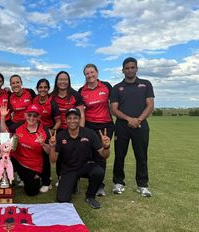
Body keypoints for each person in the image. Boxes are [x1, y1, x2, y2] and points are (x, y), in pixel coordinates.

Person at [49, 108, 111, 209]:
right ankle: (73, 184)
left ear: (80, 119)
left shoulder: (89, 133)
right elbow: (53, 160)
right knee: (62, 199)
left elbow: (104, 155)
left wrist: (106, 147)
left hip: (85, 165)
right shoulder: (60, 136)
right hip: (68, 169)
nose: (72, 120)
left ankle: (90, 196)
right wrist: (52, 146)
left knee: (98, 171)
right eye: (69, 118)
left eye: (75, 118)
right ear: (65, 120)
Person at [110, 57, 154, 197]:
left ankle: (142, 185)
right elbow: (114, 109)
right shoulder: (117, 87)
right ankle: (118, 182)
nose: (129, 70)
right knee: (120, 155)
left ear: (136, 68)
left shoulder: (146, 84)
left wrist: (138, 120)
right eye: (127, 68)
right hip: (122, 126)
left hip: (141, 125)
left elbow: (150, 105)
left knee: (141, 155)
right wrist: (129, 119)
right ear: (123, 70)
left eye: (132, 67)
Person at [78, 64, 114, 196]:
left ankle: (99, 185)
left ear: (97, 72)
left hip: (105, 126)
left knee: (101, 155)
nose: (90, 75)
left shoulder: (106, 86)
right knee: (87, 154)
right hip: (89, 125)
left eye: (92, 72)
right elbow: (80, 110)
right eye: (87, 73)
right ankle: (82, 179)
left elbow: (115, 105)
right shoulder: (82, 91)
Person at [0, 103, 50, 196]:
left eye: (35, 116)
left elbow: (49, 152)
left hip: (32, 165)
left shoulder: (44, 131)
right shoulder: (19, 125)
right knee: (2, 160)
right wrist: (3, 117)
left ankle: (33, 177)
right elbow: (4, 133)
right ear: (25, 115)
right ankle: (16, 176)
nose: (31, 118)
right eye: (29, 115)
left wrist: (43, 144)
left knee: (32, 192)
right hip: (17, 160)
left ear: (39, 117)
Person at [32, 78, 61, 193]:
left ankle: (47, 181)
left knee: (45, 157)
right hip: (35, 131)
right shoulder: (34, 100)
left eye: (45, 87)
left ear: (48, 89)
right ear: (37, 89)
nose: (42, 89)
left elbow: (58, 121)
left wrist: (52, 131)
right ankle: (37, 176)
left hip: (48, 132)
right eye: (40, 87)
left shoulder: (52, 103)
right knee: (35, 155)